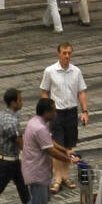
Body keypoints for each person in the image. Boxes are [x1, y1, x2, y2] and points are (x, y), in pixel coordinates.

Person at [8, 99, 79, 204]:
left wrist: (65, 151)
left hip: (33, 169)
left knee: (42, 198)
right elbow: (50, 150)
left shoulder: (36, 122)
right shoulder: (39, 128)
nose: (55, 112)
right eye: (53, 110)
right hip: (37, 171)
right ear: (46, 112)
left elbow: (50, 142)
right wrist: (68, 159)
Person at [40, 42, 88, 193]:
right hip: (56, 113)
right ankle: (58, 178)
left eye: (69, 53)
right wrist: (46, 110)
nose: (67, 56)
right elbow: (44, 91)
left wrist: (85, 111)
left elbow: (81, 92)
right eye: (64, 53)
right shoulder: (50, 71)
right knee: (57, 146)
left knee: (69, 146)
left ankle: (66, 176)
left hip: (71, 112)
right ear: (58, 54)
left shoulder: (76, 71)